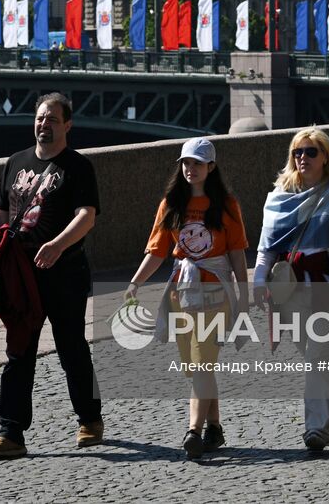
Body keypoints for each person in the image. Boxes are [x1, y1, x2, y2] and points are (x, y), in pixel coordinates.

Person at [0, 92, 102, 460]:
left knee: (71, 348)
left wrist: (58, 245)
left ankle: (90, 419)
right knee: (19, 352)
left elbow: (87, 215)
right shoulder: (16, 162)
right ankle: (11, 433)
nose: (44, 124)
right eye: (40, 117)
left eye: (52, 119)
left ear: (67, 126)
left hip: (65, 273)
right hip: (20, 275)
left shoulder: (77, 167)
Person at [125, 137, 249, 460]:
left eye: (196, 163)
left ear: (211, 167)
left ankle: (193, 431)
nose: (190, 169)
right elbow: (157, 251)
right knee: (196, 367)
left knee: (204, 362)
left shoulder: (227, 205)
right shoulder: (171, 204)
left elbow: (237, 255)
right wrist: (136, 282)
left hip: (215, 291)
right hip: (183, 292)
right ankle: (215, 428)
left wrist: (243, 294)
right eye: (185, 163)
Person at [253, 127, 329, 451]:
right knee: (317, 361)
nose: (303, 158)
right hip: (292, 291)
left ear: (326, 157)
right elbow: (267, 247)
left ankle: (315, 428)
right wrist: (259, 279)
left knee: (316, 357)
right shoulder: (278, 197)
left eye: (311, 151)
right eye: (297, 152)